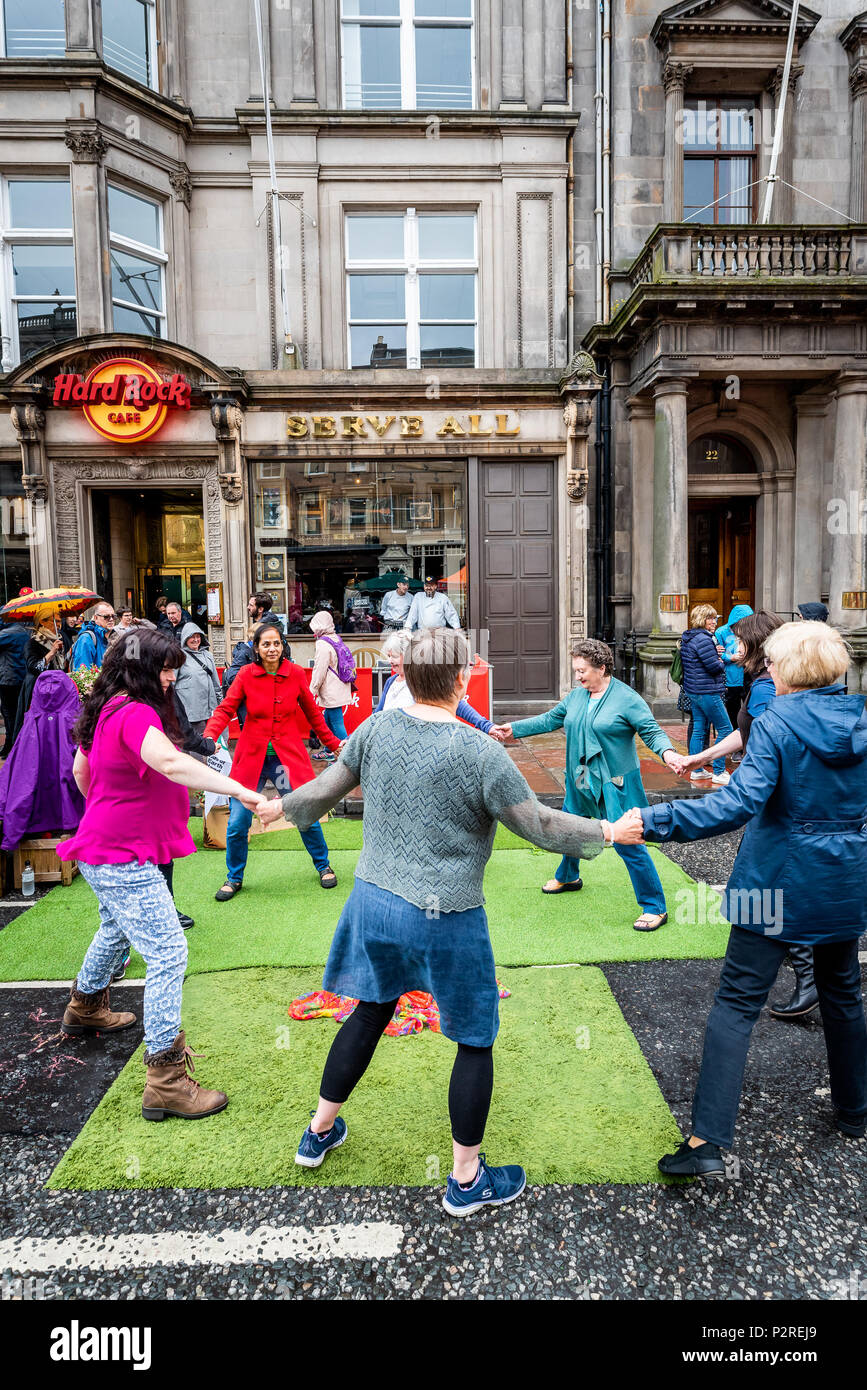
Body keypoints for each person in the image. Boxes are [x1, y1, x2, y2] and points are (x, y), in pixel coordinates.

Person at [257, 628, 631, 1215]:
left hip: (374, 901)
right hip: (446, 914)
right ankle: (465, 1179)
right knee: (475, 1036)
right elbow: (538, 825)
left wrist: (280, 806)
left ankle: (319, 1131)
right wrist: (609, 829)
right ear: (463, 681)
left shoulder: (376, 729)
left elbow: (323, 792)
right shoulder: (480, 752)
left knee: (372, 1008)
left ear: (402, 677)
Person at [613, 620, 867, 1176]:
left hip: (773, 879)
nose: (766, 669)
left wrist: (655, 818)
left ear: (792, 670)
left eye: (773, 662)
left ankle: (706, 1145)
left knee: (736, 1003)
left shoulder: (776, 722)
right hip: (842, 878)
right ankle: (854, 1111)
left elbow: (735, 807)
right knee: (843, 994)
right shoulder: (862, 718)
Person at [57, 628, 268, 1119]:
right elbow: (171, 762)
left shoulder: (106, 707)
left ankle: (85, 1005)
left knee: (115, 929)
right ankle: (166, 1078)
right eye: (167, 667)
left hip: (106, 846)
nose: (173, 676)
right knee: (169, 951)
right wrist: (242, 791)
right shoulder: (133, 712)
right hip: (121, 854)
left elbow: (80, 775)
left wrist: (113, 811)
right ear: (143, 670)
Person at [676, 610, 817, 1022]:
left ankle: (793, 972)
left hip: (774, 801)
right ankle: (803, 971)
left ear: (759, 646)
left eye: (738, 641)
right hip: (778, 798)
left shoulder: (763, 689)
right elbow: (746, 733)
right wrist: (701, 757)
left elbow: (769, 740)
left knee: (767, 886)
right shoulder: (760, 686)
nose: (732, 646)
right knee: (775, 887)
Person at [491, 638, 684, 931]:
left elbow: (651, 731)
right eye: (576, 670)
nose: (578, 676)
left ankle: (654, 906)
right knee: (572, 825)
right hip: (582, 774)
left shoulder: (627, 698)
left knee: (627, 841)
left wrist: (668, 753)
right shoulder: (577, 696)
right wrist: (513, 729)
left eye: (582, 670)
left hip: (614, 780)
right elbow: (550, 720)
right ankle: (568, 876)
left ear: (602, 668)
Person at [204, 619, 342, 900]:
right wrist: (209, 736)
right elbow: (225, 708)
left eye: (276, 643)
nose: (272, 649)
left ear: (283, 646)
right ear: (256, 648)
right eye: (266, 644)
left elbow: (314, 715)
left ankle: (323, 865)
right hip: (251, 761)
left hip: (284, 761)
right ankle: (234, 877)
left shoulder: (295, 674)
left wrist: (334, 744)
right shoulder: (244, 675)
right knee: (238, 823)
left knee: (305, 815)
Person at [375, 629, 494, 733]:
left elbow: (457, 704)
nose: (390, 660)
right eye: (389, 656)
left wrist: (486, 726)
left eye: (394, 656)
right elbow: (377, 713)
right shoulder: (391, 681)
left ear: (407, 656)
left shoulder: (421, 681)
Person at [680, 603, 734, 785]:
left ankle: (697, 771)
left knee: (699, 729)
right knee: (726, 729)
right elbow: (713, 667)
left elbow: (698, 661)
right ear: (702, 620)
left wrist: (714, 653)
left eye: (715, 618)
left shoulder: (689, 637)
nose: (714, 621)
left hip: (694, 690)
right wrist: (721, 659)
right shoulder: (704, 639)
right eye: (710, 618)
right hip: (707, 691)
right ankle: (719, 771)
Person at [309, 609, 354, 759]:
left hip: (332, 689)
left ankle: (348, 755)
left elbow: (319, 670)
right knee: (328, 719)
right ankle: (330, 750)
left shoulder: (322, 643)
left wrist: (312, 689)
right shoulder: (335, 638)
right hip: (339, 685)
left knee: (336, 723)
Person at [174, 622, 222, 736]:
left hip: (210, 707)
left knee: (211, 739)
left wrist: (220, 701)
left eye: (198, 636)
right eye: (192, 637)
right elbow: (171, 682)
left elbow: (215, 681)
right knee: (196, 742)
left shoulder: (207, 655)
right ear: (185, 638)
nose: (195, 640)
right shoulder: (179, 656)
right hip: (191, 709)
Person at [714, 603, 753, 741]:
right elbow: (715, 655)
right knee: (733, 710)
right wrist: (730, 658)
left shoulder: (751, 631)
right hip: (731, 677)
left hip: (749, 675)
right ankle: (734, 742)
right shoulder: (721, 632)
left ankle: (748, 739)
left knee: (751, 709)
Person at [0, 617, 30, 757]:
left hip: (9, 679)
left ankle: (11, 746)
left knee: (9, 714)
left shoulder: (9, 633)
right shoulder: (28, 631)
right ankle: (14, 745)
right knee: (20, 714)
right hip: (24, 678)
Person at [69, 603, 116, 672]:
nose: (111, 619)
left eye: (113, 616)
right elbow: (82, 674)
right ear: (96, 618)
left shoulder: (115, 636)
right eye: (106, 617)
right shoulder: (86, 639)